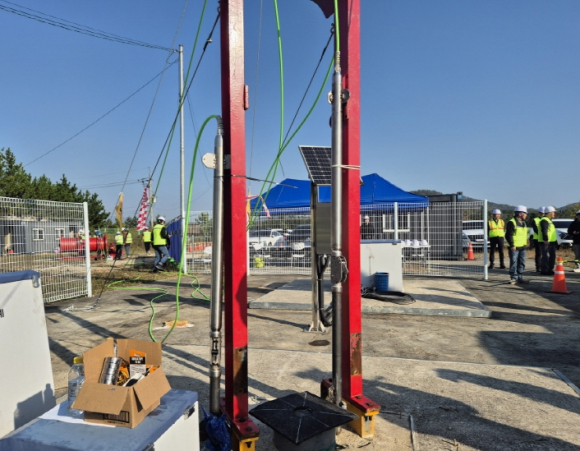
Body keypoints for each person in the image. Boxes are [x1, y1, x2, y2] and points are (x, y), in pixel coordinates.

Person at [505, 205, 529, 284]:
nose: (526, 215)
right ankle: (514, 277)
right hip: (514, 247)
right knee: (514, 262)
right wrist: (512, 245)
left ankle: (520, 277)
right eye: (525, 213)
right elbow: (508, 235)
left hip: (522, 246)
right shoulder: (512, 222)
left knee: (522, 262)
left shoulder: (524, 223)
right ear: (520, 214)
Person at [539, 206, 557, 275]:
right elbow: (544, 231)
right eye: (553, 212)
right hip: (546, 242)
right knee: (546, 256)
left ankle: (550, 269)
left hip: (551, 242)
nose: (554, 214)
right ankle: (544, 270)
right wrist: (545, 239)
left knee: (552, 256)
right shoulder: (544, 220)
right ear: (549, 213)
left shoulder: (549, 221)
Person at [531, 207, 545, 273]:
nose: (542, 214)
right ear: (539, 213)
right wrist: (542, 234)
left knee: (544, 253)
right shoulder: (535, 220)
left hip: (545, 239)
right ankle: (538, 267)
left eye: (544, 213)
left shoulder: (547, 219)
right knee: (538, 253)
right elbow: (535, 229)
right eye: (541, 213)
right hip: (537, 239)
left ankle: (544, 266)